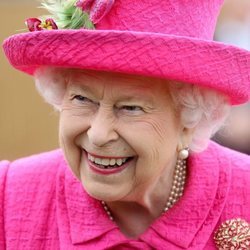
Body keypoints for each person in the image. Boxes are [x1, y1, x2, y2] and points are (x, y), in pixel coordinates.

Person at [1, 0, 250, 249]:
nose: (99, 134)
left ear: (189, 122)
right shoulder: (8, 199)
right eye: (82, 99)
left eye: (130, 108)